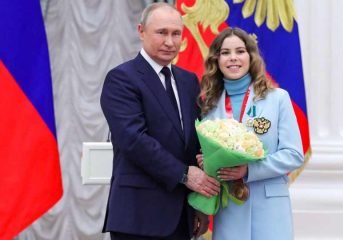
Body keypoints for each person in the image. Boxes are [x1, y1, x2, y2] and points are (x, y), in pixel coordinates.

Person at [100, 3, 220, 240]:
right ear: (141, 31)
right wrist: (185, 175)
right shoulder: (122, 79)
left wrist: (199, 205)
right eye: (162, 32)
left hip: (181, 218)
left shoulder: (188, 81)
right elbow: (133, 140)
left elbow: (193, 143)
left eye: (176, 33)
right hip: (138, 217)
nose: (170, 41)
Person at [197, 27, 304, 240]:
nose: (233, 58)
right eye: (225, 53)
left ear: (251, 56)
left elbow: (293, 154)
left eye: (240, 51)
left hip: (269, 209)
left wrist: (248, 170)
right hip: (229, 210)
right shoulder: (207, 104)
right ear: (216, 60)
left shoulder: (277, 98)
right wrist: (207, 162)